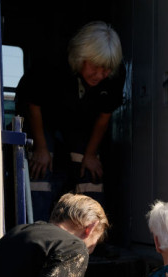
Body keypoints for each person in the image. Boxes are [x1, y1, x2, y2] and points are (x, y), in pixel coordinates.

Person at [16, 21, 125, 224]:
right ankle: (36, 231)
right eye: (96, 67)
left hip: (80, 122)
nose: (101, 75)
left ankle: (91, 237)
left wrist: (91, 154)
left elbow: (104, 116)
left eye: (107, 69)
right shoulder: (52, 61)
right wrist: (40, 147)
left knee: (91, 172)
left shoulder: (114, 76)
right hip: (42, 117)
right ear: (80, 58)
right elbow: (33, 104)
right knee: (40, 167)